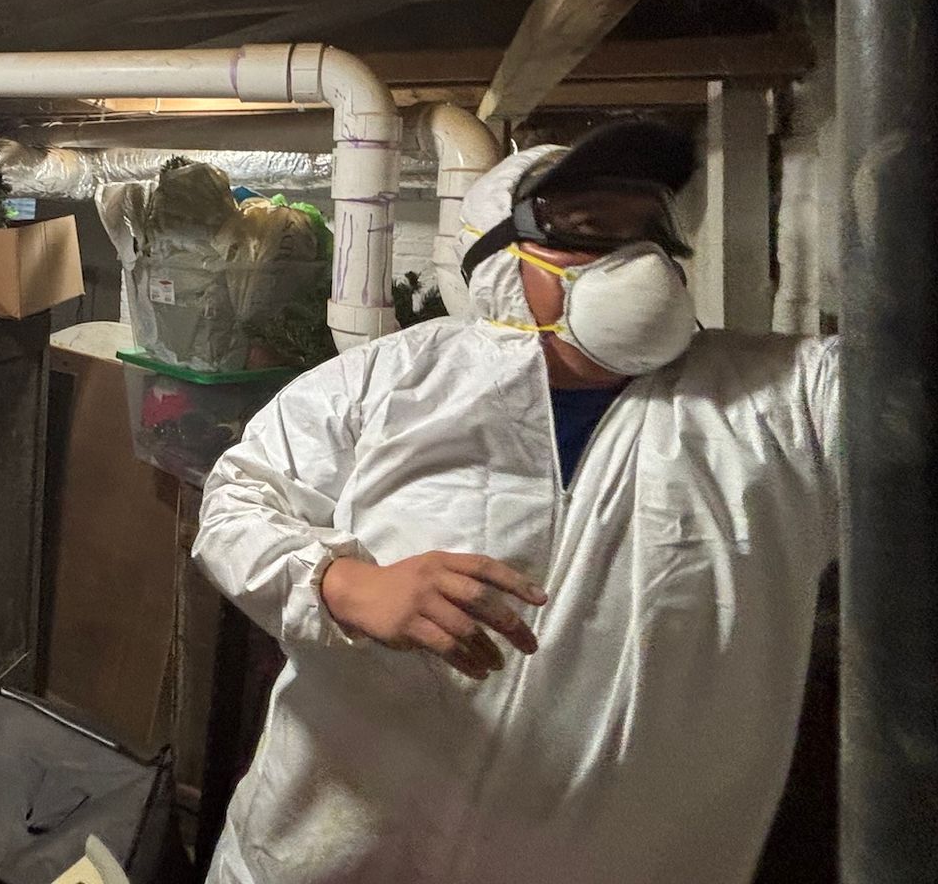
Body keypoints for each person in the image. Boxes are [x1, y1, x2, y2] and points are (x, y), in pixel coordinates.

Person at [192, 121, 836, 884]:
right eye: (592, 231)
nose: (635, 262)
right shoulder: (390, 383)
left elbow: (923, 404)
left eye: (647, 234)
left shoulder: (781, 406)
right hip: (330, 858)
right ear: (502, 258)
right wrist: (341, 584)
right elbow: (237, 499)